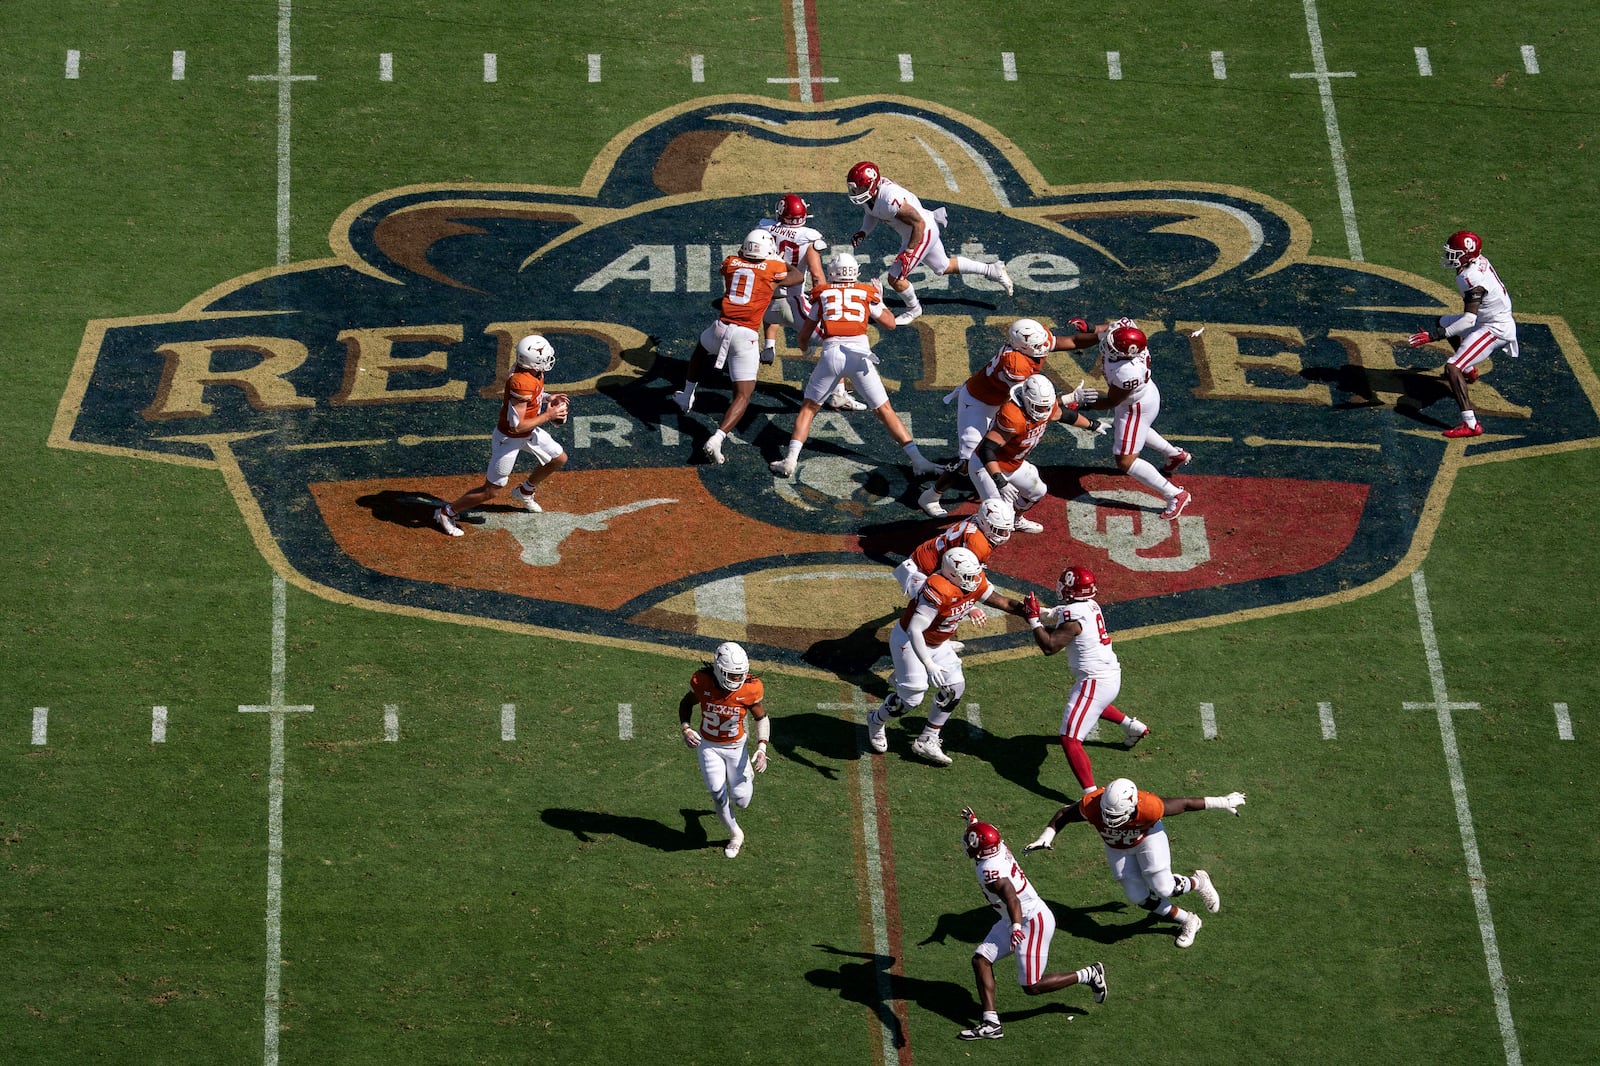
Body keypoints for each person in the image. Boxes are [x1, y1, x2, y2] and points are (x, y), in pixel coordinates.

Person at [768, 252, 942, 479]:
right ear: (855, 272)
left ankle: (790, 459)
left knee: (809, 408)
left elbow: (804, 335)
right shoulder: (865, 293)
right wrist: (880, 300)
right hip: (860, 355)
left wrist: (806, 349)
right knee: (884, 410)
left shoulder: (823, 294)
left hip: (831, 354)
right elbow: (890, 324)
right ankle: (918, 460)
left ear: (831, 273)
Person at [1024, 777, 1246, 948]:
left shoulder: (1149, 806)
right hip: (1116, 847)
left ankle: (1199, 882)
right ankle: (1188, 920)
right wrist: (1047, 836)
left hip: (1147, 838)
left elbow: (1186, 804)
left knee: (1164, 887)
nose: (1109, 819)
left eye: (1115, 814)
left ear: (1132, 805)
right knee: (1137, 896)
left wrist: (1222, 802)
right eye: (1106, 813)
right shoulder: (1093, 803)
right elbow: (1064, 814)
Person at [919, 317, 1105, 519]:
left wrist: (1103, 332)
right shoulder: (1016, 364)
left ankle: (1013, 505)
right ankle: (931, 496)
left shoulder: (1033, 339)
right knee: (969, 459)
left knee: (1002, 446)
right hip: (979, 403)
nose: (1044, 348)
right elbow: (1033, 402)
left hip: (1004, 399)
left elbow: (1074, 341)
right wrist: (1070, 398)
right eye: (1037, 345)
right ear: (1021, 347)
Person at [865, 547, 1033, 766]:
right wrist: (928, 664)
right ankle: (876, 720)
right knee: (912, 699)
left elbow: (1003, 602)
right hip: (910, 641)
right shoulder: (938, 589)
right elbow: (915, 630)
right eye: (968, 576)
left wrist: (1033, 613)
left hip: (937, 641)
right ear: (952, 574)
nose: (974, 580)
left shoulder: (972, 580)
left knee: (955, 687)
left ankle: (928, 738)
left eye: (975, 575)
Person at [956, 806, 1107, 1041]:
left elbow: (1012, 898)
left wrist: (1016, 927)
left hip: (1030, 921)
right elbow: (986, 837)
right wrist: (973, 821)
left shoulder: (990, 870)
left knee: (1032, 986)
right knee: (981, 960)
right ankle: (991, 1022)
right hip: (1015, 919)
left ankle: (1089, 974)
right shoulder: (995, 848)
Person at [671, 228, 804, 464]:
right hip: (745, 336)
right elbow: (797, 277)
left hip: (720, 328)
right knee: (742, 395)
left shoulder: (730, 262)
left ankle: (687, 395)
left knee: (700, 351)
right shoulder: (773, 267)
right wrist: (779, 261)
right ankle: (718, 438)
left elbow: (742, 263)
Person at [1019, 565, 1149, 792]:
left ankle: (1091, 795)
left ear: (1071, 591)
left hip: (1095, 681)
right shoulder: (1090, 604)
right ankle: (1132, 727)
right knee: (1086, 701)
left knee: (1069, 739)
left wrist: (1033, 621)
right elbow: (1055, 613)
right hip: (1109, 675)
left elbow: (1050, 647)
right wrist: (1039, 612)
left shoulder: (1073, 617)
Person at [846, 160, 1014, 325]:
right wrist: (863, 231)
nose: (856, 192)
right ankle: (991, 269)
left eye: (860, 188)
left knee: (895, 278)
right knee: (943, 266)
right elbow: (872, 212)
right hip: (914, 231)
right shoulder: (872, 196)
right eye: (855, 189)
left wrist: (909, 251)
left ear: (872, 184)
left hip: (921, 231)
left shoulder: (889, 199)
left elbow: (919, 223)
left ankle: (913, 309)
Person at [925, 374, 1100, 533]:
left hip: (1012, 463)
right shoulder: (1012, 416)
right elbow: (987, 449)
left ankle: (1016, 519)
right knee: (998, 517)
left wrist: (1093, 425)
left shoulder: (1044, 406)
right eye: (1039, 407)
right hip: (987, 467)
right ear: (1027, 401)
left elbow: (1065, 415)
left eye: (1046, 406)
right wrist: (1000, 481)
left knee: (1037, 491)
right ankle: (960, 537)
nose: (1044, 412)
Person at [434, 334, 569, 537]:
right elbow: (517, 426)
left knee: (558, 458)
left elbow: (534, 395)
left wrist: (548, 397)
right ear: (532, 361)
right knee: (492, 491)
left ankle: (525, 491)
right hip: (509, 439)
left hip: (528, 432)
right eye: (543, 356)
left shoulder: (531, 371)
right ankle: (446, 512)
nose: (548, 359)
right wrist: (549, 415)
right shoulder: (521, 382)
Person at [1075, 318, 1192, 521]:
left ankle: (1175, 494)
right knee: (1140, 429)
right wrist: (1093, 327)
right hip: (1143, 397)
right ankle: (1174, 455)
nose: (1105, 344)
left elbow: (1111, 401)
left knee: (1125, 460)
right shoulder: (1128, 335)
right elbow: (1113, 325)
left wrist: (1084, 405)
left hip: (1134, 407)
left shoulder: (1126, 373)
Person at [1408, 229, 1519, 438]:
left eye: (1454, 253)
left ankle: (1471, 424)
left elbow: (1469, 320)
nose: (1449, 256)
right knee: (1443, 323)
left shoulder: (1470, 278)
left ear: (1466, 255)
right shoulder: (1475, 263)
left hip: (1495, 328)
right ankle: (1468, 369)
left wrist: (1433, 336)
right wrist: (1440, 330)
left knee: (1451, 366)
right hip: (1488, 318)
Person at [757, 194, 863, 412]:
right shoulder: (809, 237)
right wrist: (825, 302)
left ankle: (768, 347)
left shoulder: (764, 230)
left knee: (771, 296)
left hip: (763, 302)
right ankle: (839, 394)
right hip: (793, 303)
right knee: (833, 340)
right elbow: (816, 275)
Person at [678, 642, 769, 859]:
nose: (737, 680)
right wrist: (686, 729)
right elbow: (686, 703)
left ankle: (745, 774)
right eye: (732, 675)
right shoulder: (702, 681)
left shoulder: (751, 687)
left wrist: (762, 747)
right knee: (718, 795)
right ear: (719, 669)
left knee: (741, 801)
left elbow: (761, 717)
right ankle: (735, 834)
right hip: (708, 746)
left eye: (740, 675)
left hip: (736, 748)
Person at [893, 497, 1015, 601]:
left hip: (930, 557)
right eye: (999, 530)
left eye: (1006, 530)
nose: (1004, 535)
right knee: (940, 615)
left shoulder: (976, 520)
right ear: (984, 522)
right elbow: (959, 576)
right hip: (924, 571)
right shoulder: (978, 543)